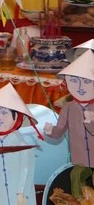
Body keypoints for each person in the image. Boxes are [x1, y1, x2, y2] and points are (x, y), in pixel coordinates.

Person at [44, 50, 94, 199]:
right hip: (80, 158)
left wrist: (91, 124)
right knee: (76, 177)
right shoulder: (68, 107)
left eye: (87, 81)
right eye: (73, 80)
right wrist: (50, 131)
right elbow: (60, 130)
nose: (80, 87)